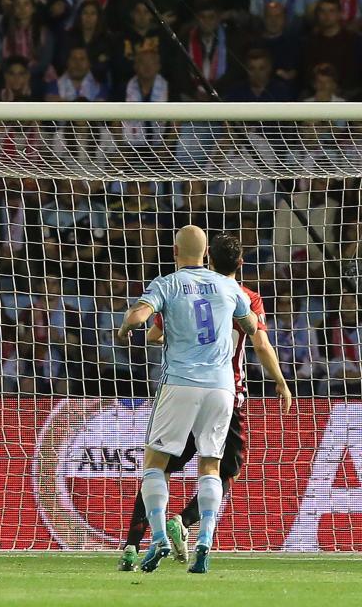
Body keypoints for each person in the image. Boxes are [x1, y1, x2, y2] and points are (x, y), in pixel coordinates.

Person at [117, 232, 292, 572]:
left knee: (156, 463)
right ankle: (203, 543)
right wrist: (281, 382)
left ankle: (148, 540)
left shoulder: (168, 284)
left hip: (181, 384)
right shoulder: (239, 293)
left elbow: (142, 322)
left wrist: (127, 328)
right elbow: (255, 330)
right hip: (226, 389)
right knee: (214, 467)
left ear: (175, 251)